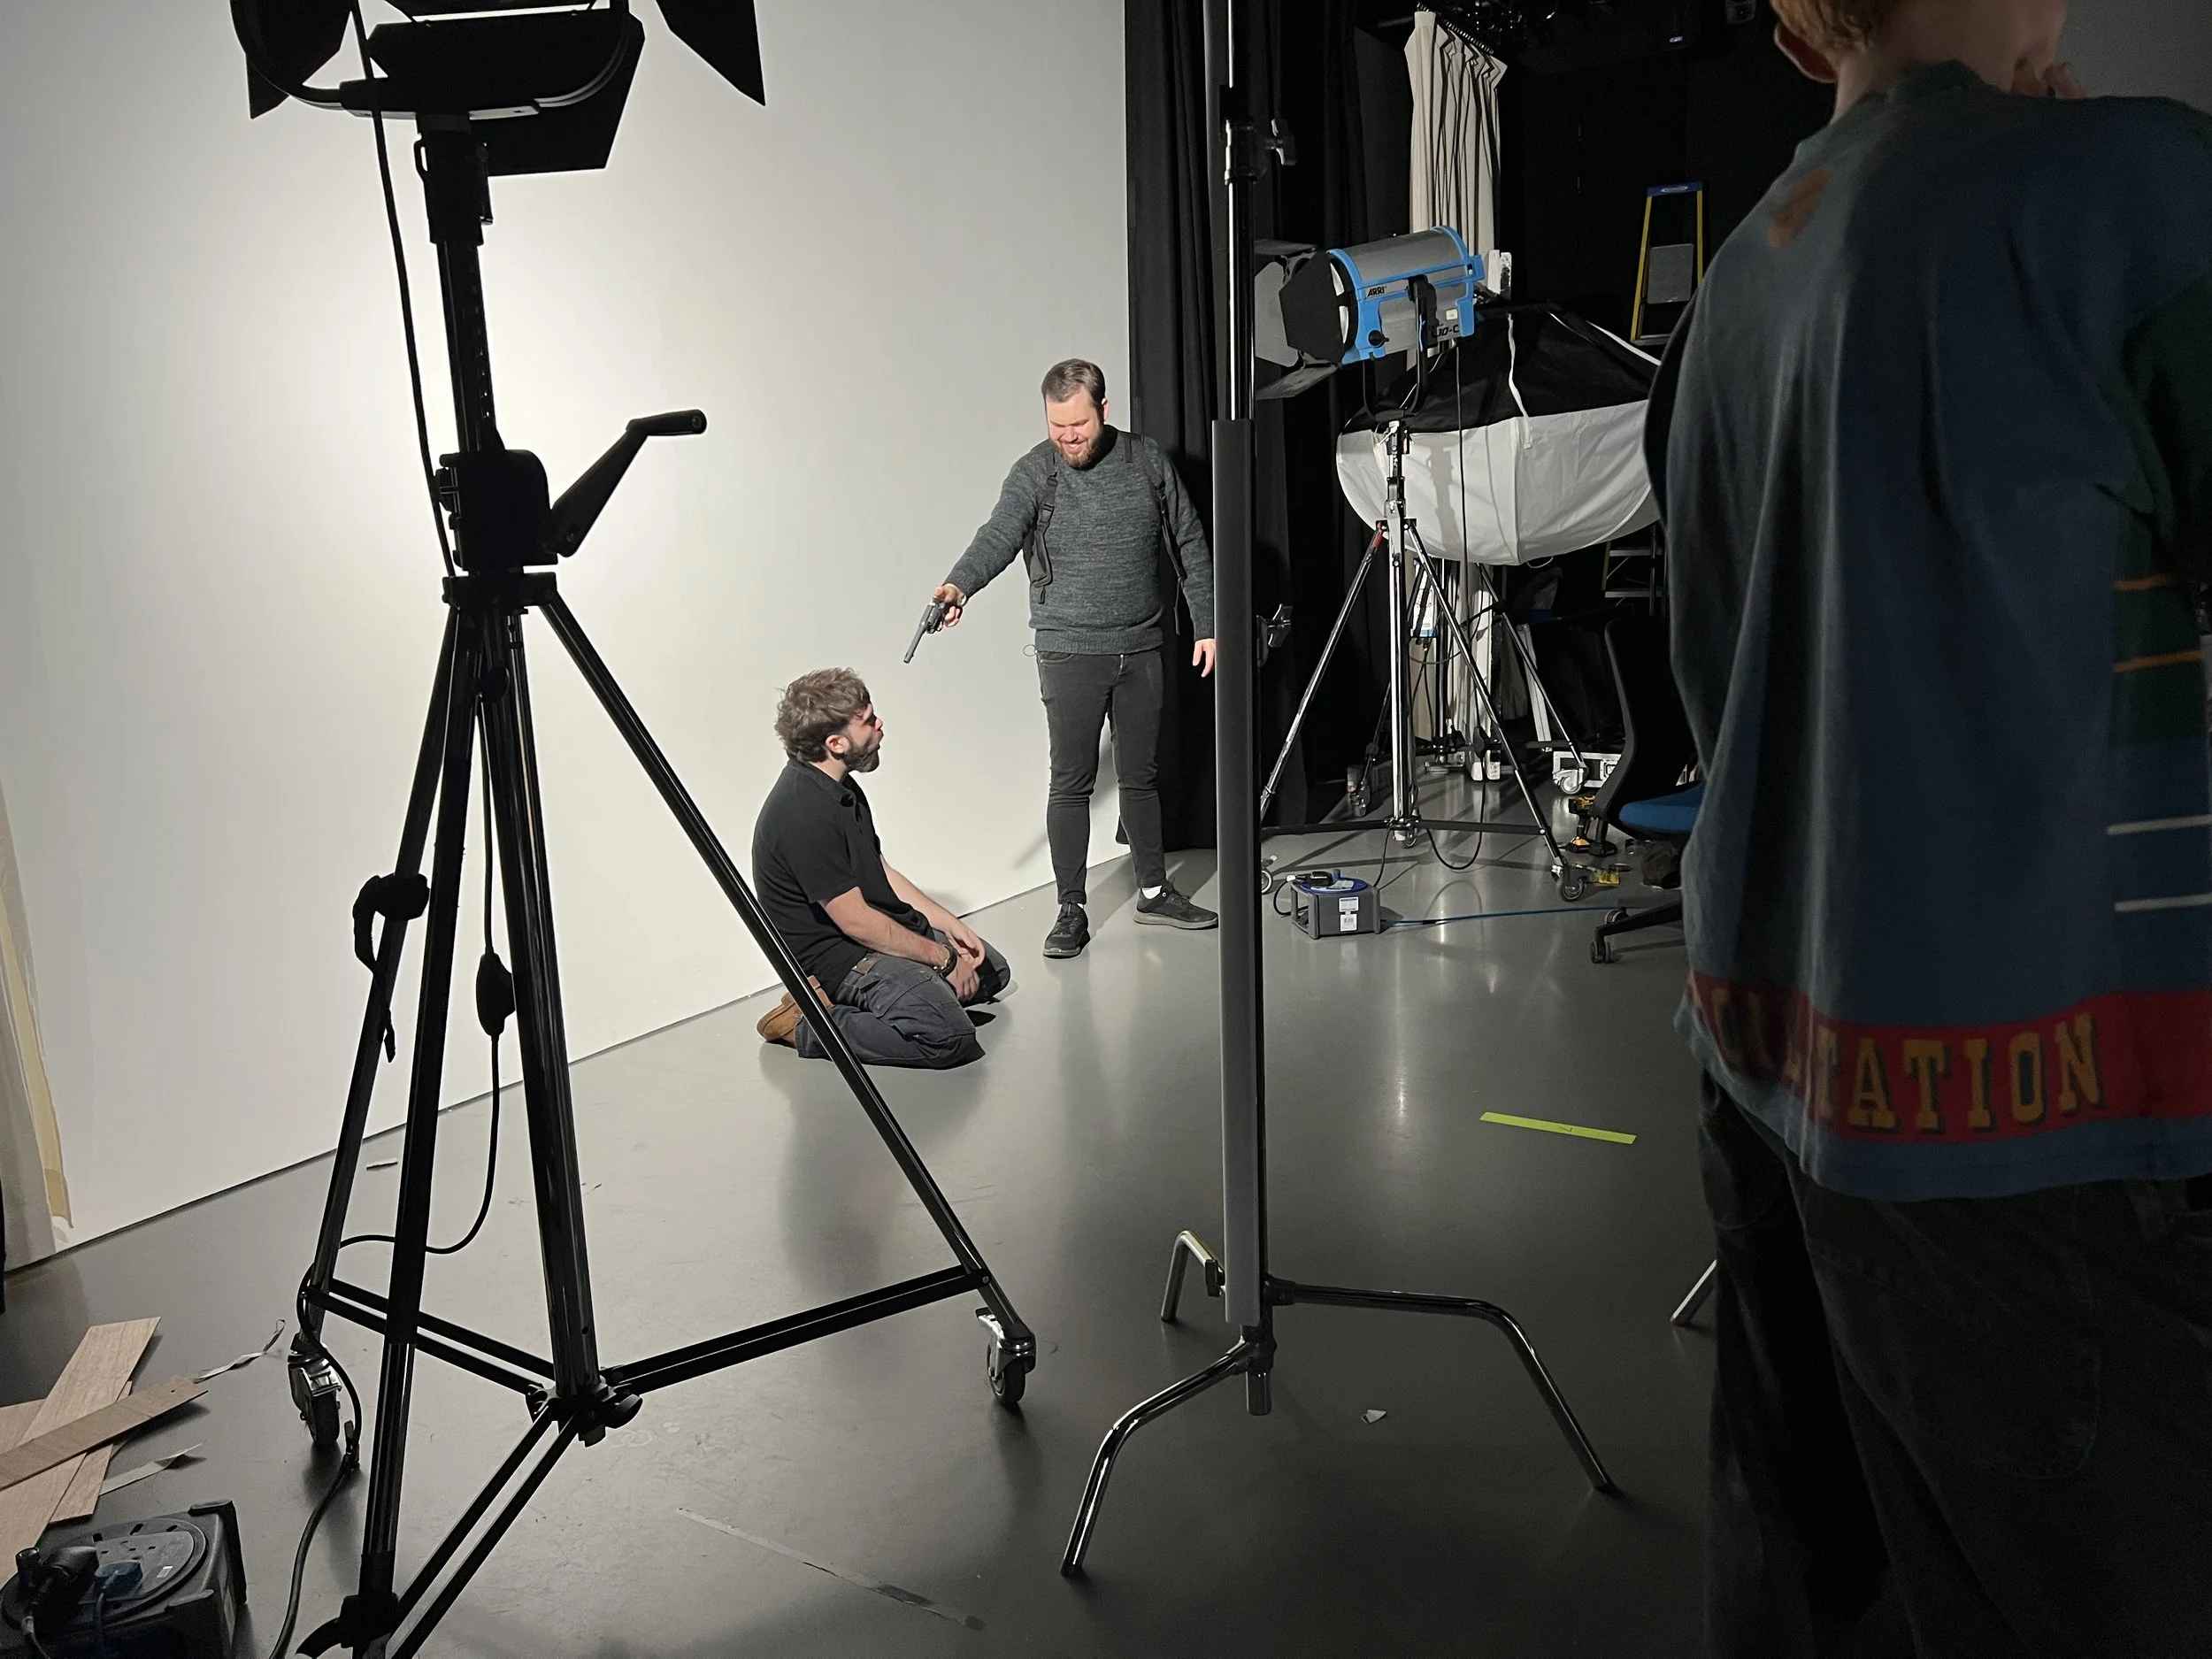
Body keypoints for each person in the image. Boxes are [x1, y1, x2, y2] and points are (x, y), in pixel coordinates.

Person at [1648, 1, 2212, 1653]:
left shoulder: (1743, 275)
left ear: (1802, 22)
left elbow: (1716, 697)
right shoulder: (2131, 194)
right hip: (2058, 1129)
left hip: (1773, 1072)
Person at [933, 358, 1220, 959]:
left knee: (1141, 777)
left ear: (1104, 411)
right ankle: (1071, 908)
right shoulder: (1036, 473)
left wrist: (1208, 624)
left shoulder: (1146, 461)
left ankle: (1153, 889)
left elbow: (1190, 540)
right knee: (1071, 782)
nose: (1068, 437)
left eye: (1079, 425)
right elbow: (998, 535)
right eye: (1057, 426)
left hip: (1142, 644)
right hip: (1069, 650)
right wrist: (959, 585)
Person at [751, 669, 1009, 1069]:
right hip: (841, 957)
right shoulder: (802, 813)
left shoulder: (839, 787)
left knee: (991, 972)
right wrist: (942, 958)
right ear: (835, 743)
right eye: (868, 721)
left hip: (870, 931)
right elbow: (856, 924)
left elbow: (880, 871)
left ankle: (917, 992)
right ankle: (809, 1022)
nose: (880, 724)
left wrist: (949, 923)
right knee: (949, 1038)